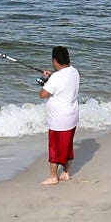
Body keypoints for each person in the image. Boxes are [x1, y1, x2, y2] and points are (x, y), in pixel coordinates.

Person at [38, 47, 80, 184]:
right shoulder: (74, 72)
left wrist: (46, 80)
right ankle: (66, 173)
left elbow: (42, 95)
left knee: (54, 148)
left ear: (55, 60)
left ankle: (53, 176)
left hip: (59, 120)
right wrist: (50, 78)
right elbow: (63, 83)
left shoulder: (56, 77)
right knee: (67, 146)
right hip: (72, 116)